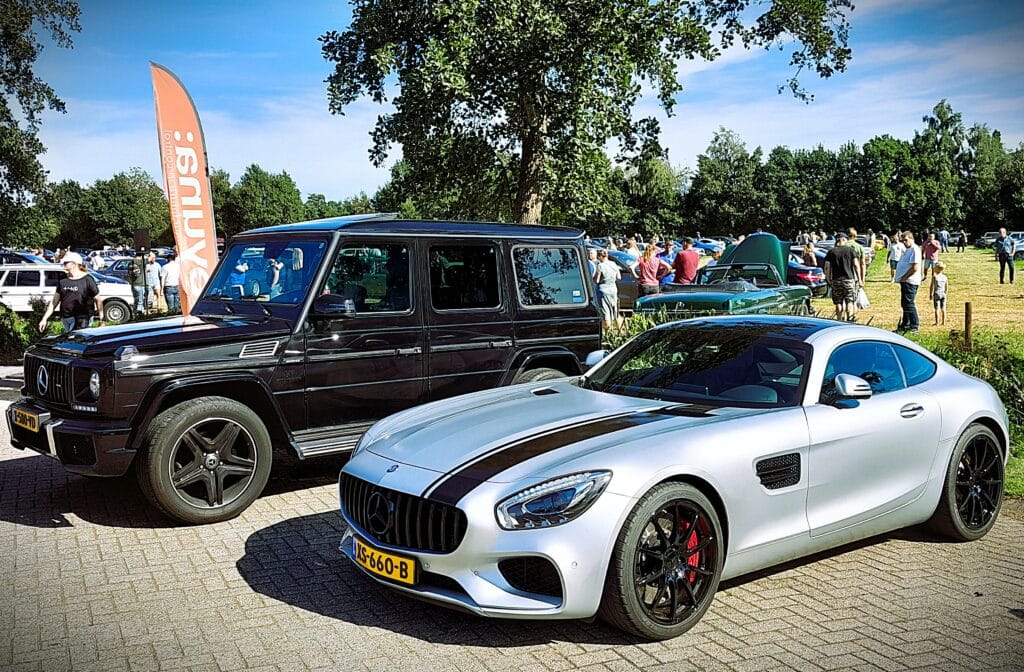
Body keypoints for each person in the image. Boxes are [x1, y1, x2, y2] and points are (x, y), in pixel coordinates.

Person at [38, 252, 104, 332]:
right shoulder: (63, 281)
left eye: (66, 262)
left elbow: (98, 299)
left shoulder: (88, 280)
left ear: (74, 264)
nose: (63, 264)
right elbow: (54, 302)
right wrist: (44, 319)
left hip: (82, 318)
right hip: (66, 318)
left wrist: (101, 319)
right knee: (70, 340)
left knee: (76, 341)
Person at [823, 233, 862, 322]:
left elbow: (827, 267)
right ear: (845, 240)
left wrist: (829, 279)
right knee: (850, 301)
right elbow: (856, 265)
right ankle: (850, 320)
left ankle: (839, 320)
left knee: (838, 302)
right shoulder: (851, 250)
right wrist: (859, 279)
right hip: (849, 279)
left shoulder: (831, 252)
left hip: (836, 280)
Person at [893, 231, 922, 333]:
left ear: (912, 239)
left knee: (909, 303)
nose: (904, 242)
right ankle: (906, 324)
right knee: (905, 303)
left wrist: (905, 277)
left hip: (910, 281)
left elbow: (915, 267)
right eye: (903, 240)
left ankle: (914, 325)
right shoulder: (908, 250)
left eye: (906, 240)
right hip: (906, 281)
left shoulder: (915, 249)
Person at [593, 249, 621, 332]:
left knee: (606, 313)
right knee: (615, 311)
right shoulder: (614, 264)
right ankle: (620, 330)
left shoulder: (600, 266)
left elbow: (597, 280)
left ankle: (608, 332)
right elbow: (619, 277)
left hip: (603, 290)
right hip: (613, 289)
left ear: (600, 256)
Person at [930, 261, 948, 326]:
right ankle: (943, 322)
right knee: (943, 308)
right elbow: (946, 287)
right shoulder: (945, 277)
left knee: (937, 308)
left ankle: (937, 322)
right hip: (943, 293)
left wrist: (930, 294)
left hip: (937, 293)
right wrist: (945, 293)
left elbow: (932, 286)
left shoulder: (934, 276)